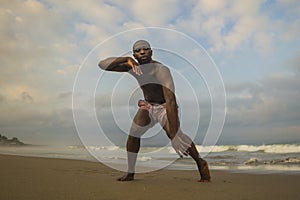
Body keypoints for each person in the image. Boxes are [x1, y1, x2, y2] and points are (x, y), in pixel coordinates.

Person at [98, 40, 211, 182]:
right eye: (138, 51)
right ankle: (130, 172)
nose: (142, 52)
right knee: (133, 134)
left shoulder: (161, 70)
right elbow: (102, 65)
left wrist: (174, 135)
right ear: (134, 55)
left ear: (151, 52)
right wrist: (126, 60)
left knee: (176, 134)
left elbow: (170, 100)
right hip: (148, 106)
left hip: (165, 106)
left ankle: (200, 163)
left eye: (145, 49)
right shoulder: (133, 67)